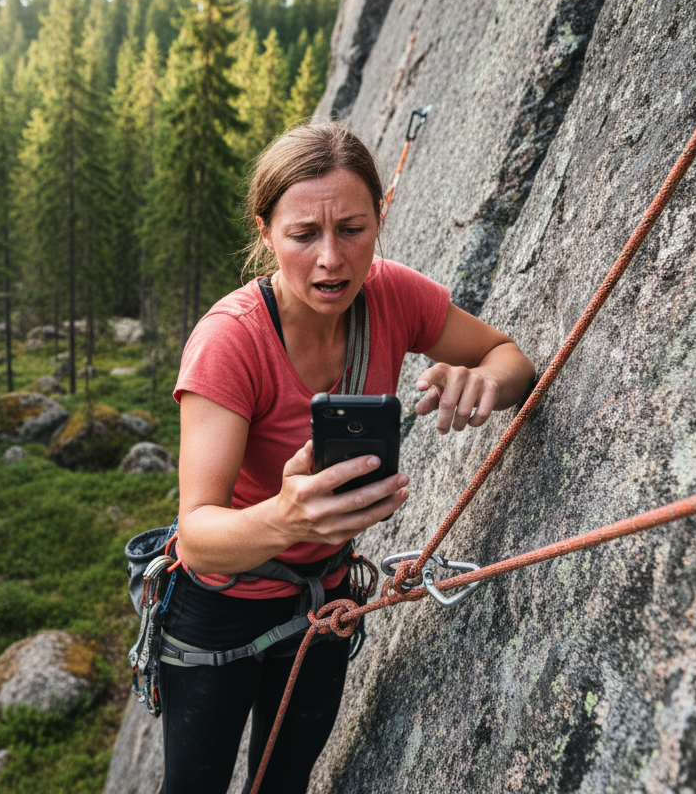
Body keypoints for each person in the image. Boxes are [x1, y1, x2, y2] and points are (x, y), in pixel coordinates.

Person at [162, 122, 535, 794]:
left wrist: (483, 381)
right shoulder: (230, 343)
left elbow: (510, 358)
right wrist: (285, 519)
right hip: (220, 606)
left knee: (286, 782)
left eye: (353, 229)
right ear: (267, 232)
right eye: (304, 234)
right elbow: (198, 537)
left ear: (379, 220)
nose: (331, 259)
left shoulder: (394, 296)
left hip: (324, 597)